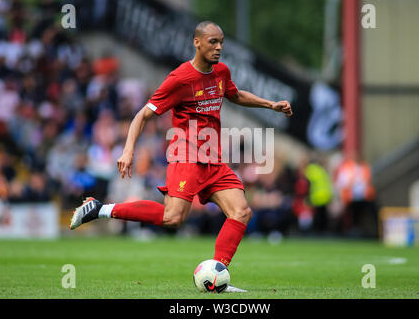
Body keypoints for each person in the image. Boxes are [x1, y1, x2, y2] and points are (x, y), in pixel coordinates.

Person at [69, 21, 292, 290]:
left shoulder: (221, 71)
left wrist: (270, 105)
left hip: (213, 159)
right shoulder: (180, 79)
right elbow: (143, 114)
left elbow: (234, 95)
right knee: (173, 218)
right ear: (197, 42)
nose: (219, 47)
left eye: (221, 42)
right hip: (185, 155)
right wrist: (128, 149)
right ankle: (100, 209)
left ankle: (216, 274)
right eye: (213, 42)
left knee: (241, 211)